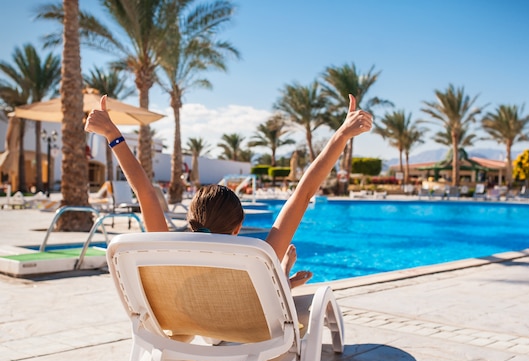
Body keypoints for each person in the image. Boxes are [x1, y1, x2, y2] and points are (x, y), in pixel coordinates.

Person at [85, 94, 372, 287]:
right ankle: (281, 279)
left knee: (264, 282)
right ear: (238, 228)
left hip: (190, 328)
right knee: (279, 290)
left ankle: (282, 280)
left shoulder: (169, 250)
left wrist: (113, 134)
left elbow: (145, 192)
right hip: (250, 336)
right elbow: (304, 192)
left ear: (190, 221)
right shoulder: (261, 255)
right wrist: (342, 134)